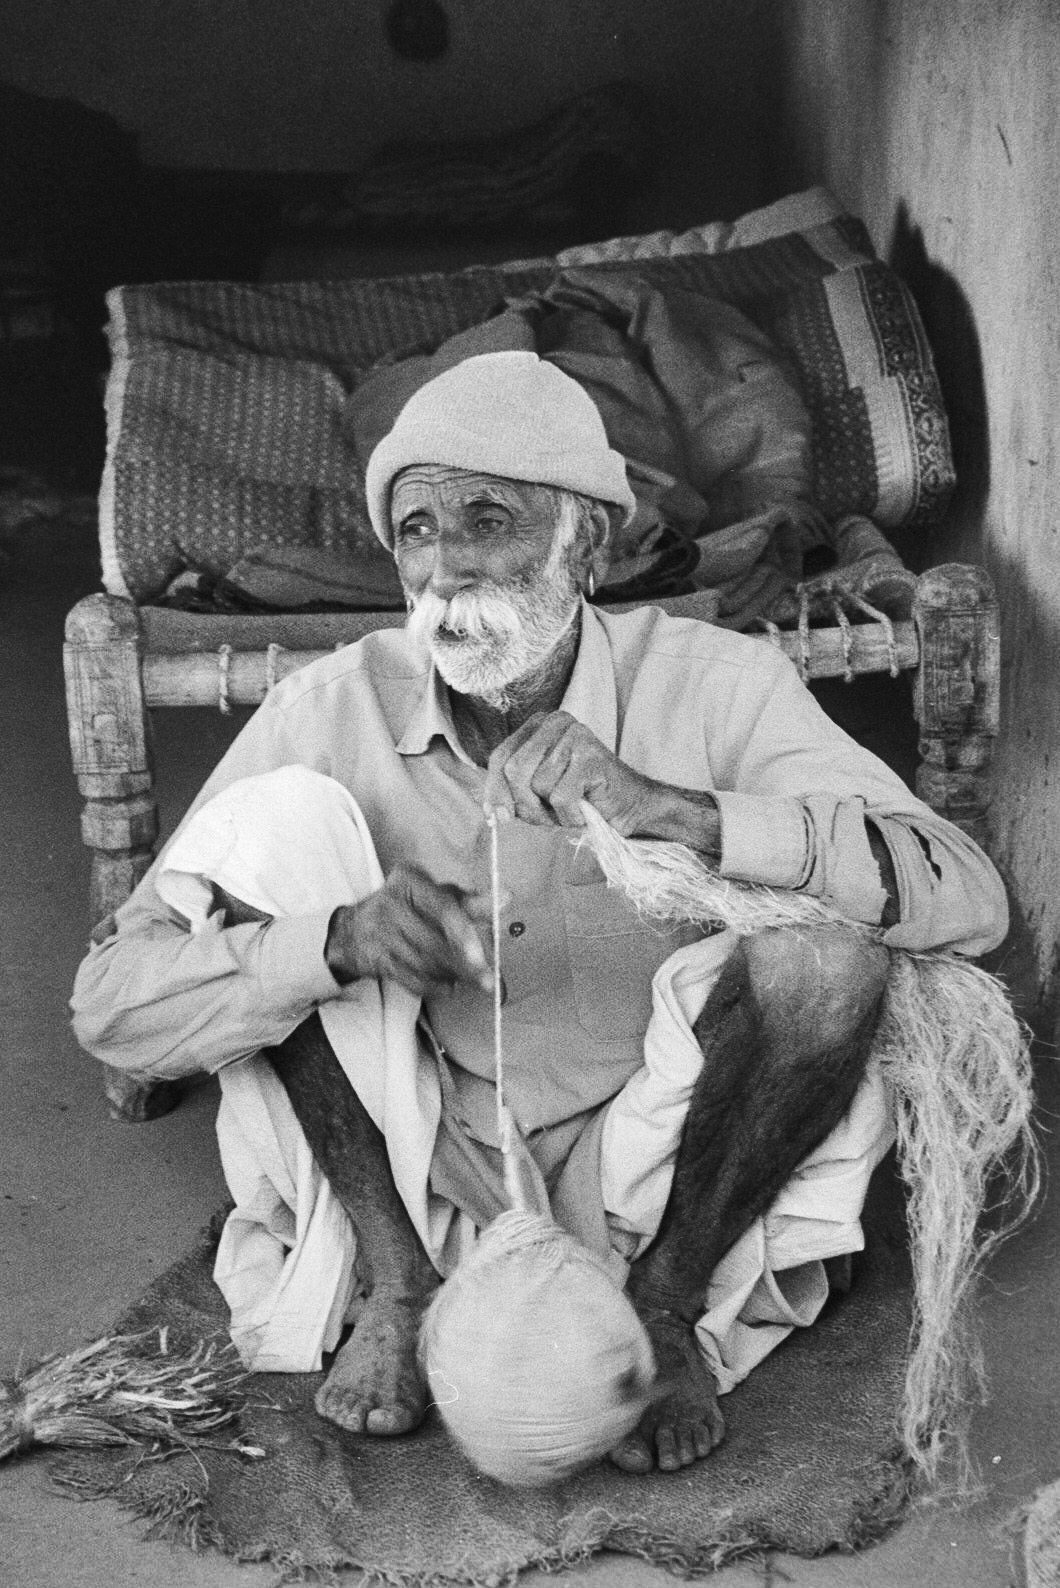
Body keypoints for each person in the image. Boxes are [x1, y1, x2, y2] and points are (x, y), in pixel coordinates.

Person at [71, 351, 1008, 1476]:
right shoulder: (327, 708)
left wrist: (670, 808)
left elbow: (966, 897)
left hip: (666, 1163)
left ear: (589, 544)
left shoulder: (714, 681)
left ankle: (664, 1305)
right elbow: (112, 1008)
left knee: (828, 960)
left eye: (488, 521)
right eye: (417, 531)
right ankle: (399, 1285)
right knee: (277, 846)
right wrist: (337, 942)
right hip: (414, 1166)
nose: (448, 567)